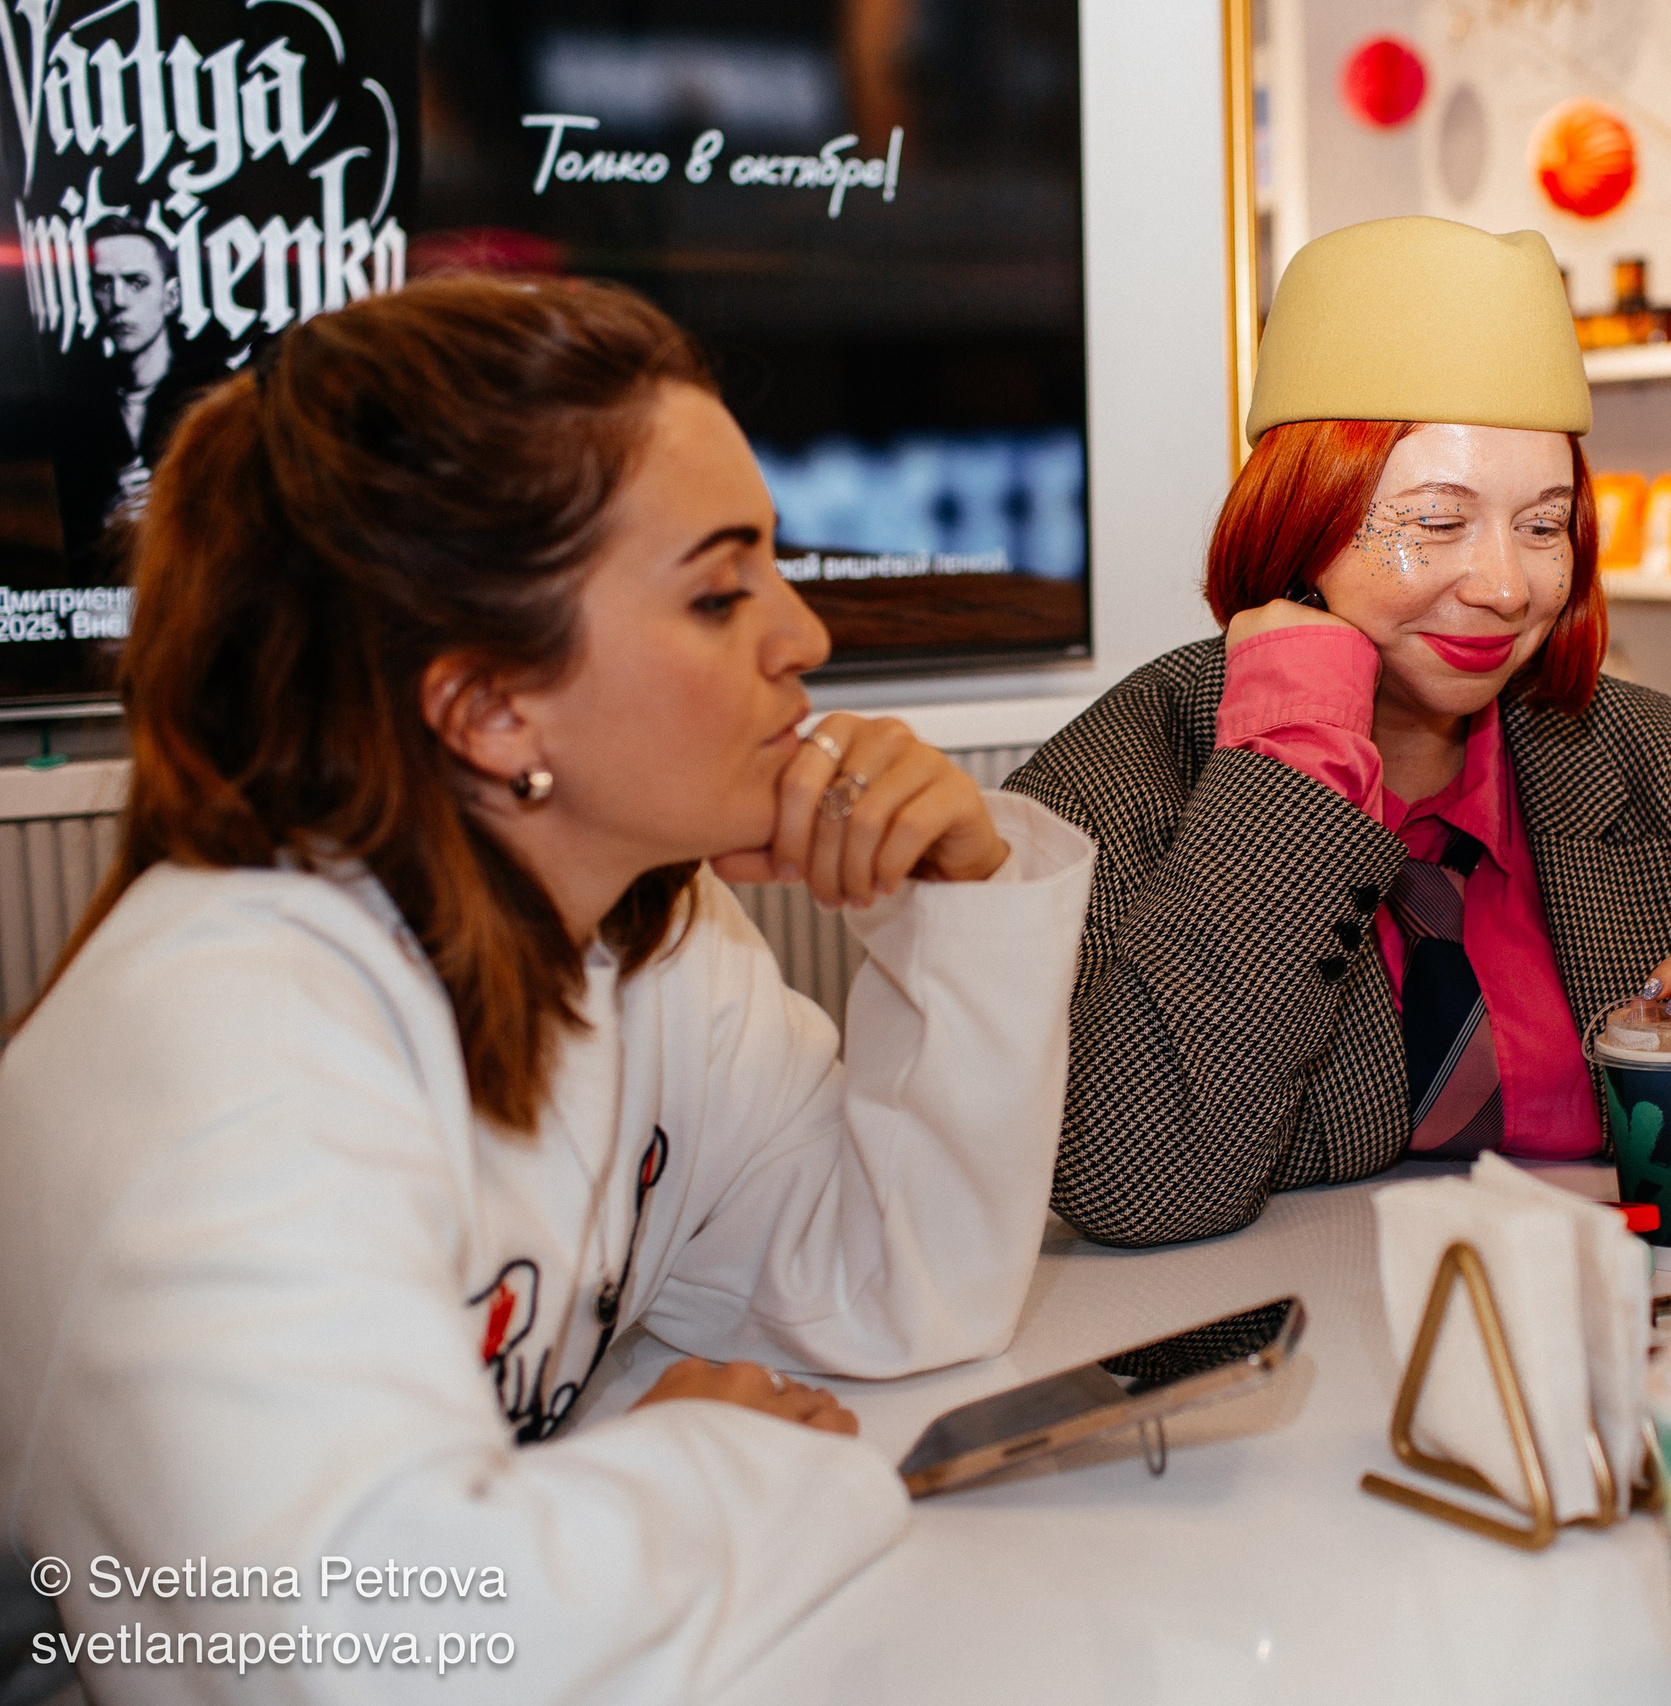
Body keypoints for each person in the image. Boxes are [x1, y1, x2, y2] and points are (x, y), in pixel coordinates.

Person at [0, 276, 1094, 1695]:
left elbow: (895, 1287)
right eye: (720, 591)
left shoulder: (652, 939)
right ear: (490, 709)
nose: (805, 638)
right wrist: (720, 1460)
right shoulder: (223, 1029)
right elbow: (370, 1651)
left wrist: (961, 892)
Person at [1007, 217, 1671, 1249]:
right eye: (1437, 522)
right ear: (1297, 521)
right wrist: (1293, 758)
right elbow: (1134, 1178)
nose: (1506, 587)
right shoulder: (1115, 786)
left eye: (1543, 526)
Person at [50, 217, 219, 562]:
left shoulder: (213, 395)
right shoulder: (73, 408)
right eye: (104, 284)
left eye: (136, 283)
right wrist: (107, 522)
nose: (119, 301)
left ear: (170, 297)